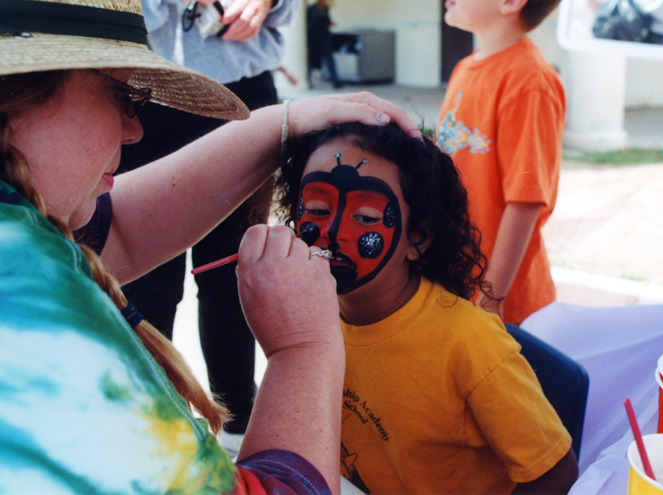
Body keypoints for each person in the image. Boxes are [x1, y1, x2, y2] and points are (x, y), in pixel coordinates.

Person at [0, 0, 420, 492]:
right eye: (124, 96)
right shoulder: (34, 312)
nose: (135, 128)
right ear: (18, 96)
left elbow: (117, 234)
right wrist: (303, 346)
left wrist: (280, 124)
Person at [274, 122, 578, 494]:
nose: (333, 231)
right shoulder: (309, 320)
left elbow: (556, 472)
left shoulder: (470, 345)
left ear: (416, 238)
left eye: (366, 218)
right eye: (317, 209)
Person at [117, 0, 299, 455]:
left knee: (234, 267)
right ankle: (152, 420)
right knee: (149, 274)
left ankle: (237, 410)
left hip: (243, 88)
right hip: (149, 87)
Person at [436, 0, 566, 325]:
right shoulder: (465, 67)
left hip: (503, 304)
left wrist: (491, 299)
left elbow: (525, 200)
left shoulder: (529, 80)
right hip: (457, 284)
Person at [306, 0, 341, 88]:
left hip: (325, 37)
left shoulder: (325, 8)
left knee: (329, 58)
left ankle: (335, 80)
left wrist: (331, 23)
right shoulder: (312, 9)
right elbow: (308, 23)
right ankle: (308, 80)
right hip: (314, 37)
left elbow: (327, 20)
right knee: (312, 59)